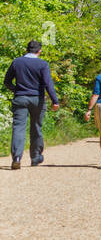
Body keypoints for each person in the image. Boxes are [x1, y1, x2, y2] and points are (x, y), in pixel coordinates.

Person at [4, 40, 60, 169]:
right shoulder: (42, 64)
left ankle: (17, 157)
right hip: (37, 99)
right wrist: (55, 101)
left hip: (20, 98)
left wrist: (17, 90)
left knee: (18, 128)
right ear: (39, 51)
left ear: (26, 49)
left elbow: (7, 81)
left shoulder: (17, 62)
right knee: (36, 127)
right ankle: (35, 158)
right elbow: (48, 84)